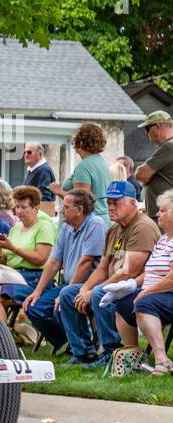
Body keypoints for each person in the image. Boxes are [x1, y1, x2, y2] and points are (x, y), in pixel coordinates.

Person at [54, 181, 160, 367]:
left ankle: (113, 352)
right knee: (68, 293)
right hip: (118, 283)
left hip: (137, 286)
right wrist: (85, 288)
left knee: (100, 293)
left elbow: (129, 271)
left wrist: (93, 290)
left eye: (116, 202)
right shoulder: (113, 228)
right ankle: (83, 353)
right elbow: (103, 267)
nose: (111, 207)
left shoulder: (142, 226)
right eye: (109, 202)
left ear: (133, 204)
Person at [22, 189, 106, 354]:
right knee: (33, 306)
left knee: (64, 301)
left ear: (79, 210)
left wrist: (65, 293)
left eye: (66, 207)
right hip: (69, 284)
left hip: (88, 286)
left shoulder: (95, 224)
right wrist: (37, 292)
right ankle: (69, 341)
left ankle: (84, 350)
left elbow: (86, 263)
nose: (61, 210)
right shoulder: (67, 227)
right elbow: (54, 261)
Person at [0, 185, 56, 324]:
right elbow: (3, 262)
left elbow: (41, 259)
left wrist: (13, 248)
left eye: (24, 207)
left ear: (36, 208)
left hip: (33, 278)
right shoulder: (15, 228)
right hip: (13, 275)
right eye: (17, 207)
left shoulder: (44, 227)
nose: (19, 211)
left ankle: (1, 340)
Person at [126, 189, 173, 374]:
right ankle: (134, 357)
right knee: (121, 302)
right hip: (156, 293)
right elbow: (150, 271)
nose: (157, 214)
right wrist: (130, 285)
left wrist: (146, 292)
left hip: (168, 293)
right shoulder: (163, 239)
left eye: (162, 210)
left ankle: (162, 361)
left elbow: (171, 278)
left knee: (144, 303)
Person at [49, 122, 110, 225]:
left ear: (81, 142)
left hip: (89, 224)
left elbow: (81, 201)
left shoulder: (84, 166)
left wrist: (58, 190)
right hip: (103, 220)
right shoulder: (102, 162)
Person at [134, 110, 173, 217]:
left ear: (158, 127)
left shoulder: (168, 147)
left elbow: (140, 174)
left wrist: (148, 176)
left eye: (147, 128)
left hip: (161, 214)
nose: (146, 133)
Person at [22, 143, 57, 216]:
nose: (26, 155)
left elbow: (44, 199)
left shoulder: (44, 171)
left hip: (39, 219)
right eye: (24, 152)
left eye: (29, 152)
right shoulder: (34, 170)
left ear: (40, 154)